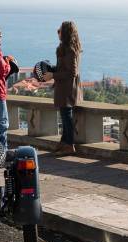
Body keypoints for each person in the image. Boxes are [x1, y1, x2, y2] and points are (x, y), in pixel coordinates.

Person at [43, 21, 82, 156]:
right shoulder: (64, 48)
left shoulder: (70, 50)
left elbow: (72, 72)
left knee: (66, 117)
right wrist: (49, 69)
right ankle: (64, 142)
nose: (57, 32)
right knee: (64, 116)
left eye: (59, 30)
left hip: (67, 89)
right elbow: (63, 68)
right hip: (63, 88)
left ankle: (69, 145)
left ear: (65, 32)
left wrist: (53, 74)